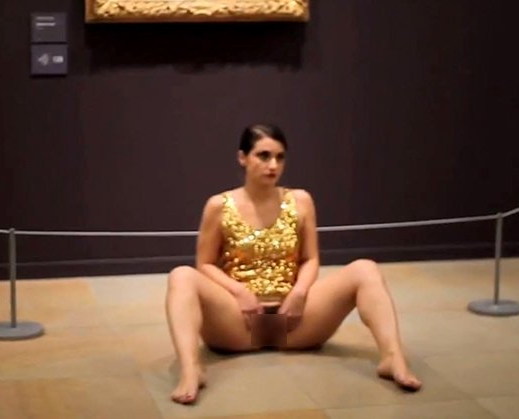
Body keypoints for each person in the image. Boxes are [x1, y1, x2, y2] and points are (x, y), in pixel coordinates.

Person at [165, 124, 422, 404]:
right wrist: (238, 292)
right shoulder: (218, 205)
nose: (273, 165)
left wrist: (299, 293)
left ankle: (392, 358)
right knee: (181, 275)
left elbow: (311, 258)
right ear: (242, 157)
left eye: (280, 157)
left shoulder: (300, 201)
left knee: (365, 269)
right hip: (238, 324)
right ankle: (191, 369)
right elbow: (204, 264)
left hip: (294, 322)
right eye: (263, 156)